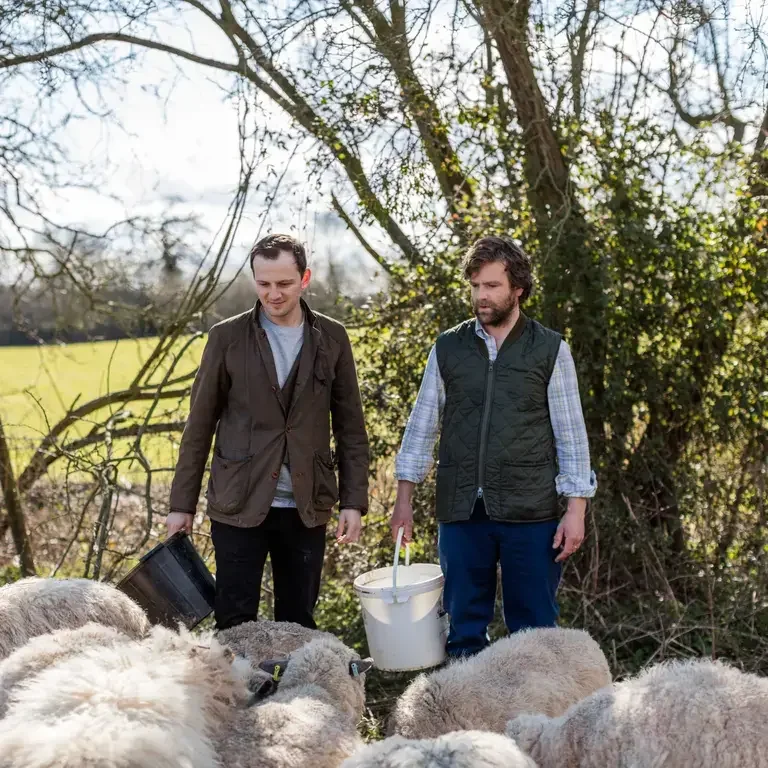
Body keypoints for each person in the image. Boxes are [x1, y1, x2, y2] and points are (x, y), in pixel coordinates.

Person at [390, 235, 597, 659]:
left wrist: (576, 510)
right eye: (475, 286)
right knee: (463, 632)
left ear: (517, 288)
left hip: (531, 512)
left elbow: (571, 435)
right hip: (461, 510)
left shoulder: (550, 350)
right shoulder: (448, 347)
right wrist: (403, 501)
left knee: (535, 634)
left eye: (491, 286)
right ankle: (465, 701)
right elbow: (421, 426)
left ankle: (538, 704)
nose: (481, 296)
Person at [167, 233, 369, 631]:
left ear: (305, 278)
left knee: (298, 625)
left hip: (307, 505)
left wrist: (353, 501)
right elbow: (199, 426)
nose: (273, 294)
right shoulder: (226, 338)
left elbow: (351, 428)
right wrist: (181, 505)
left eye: (284, 283)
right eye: (264, 284)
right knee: (234, 623)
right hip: (238, 503)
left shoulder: (333, 338)